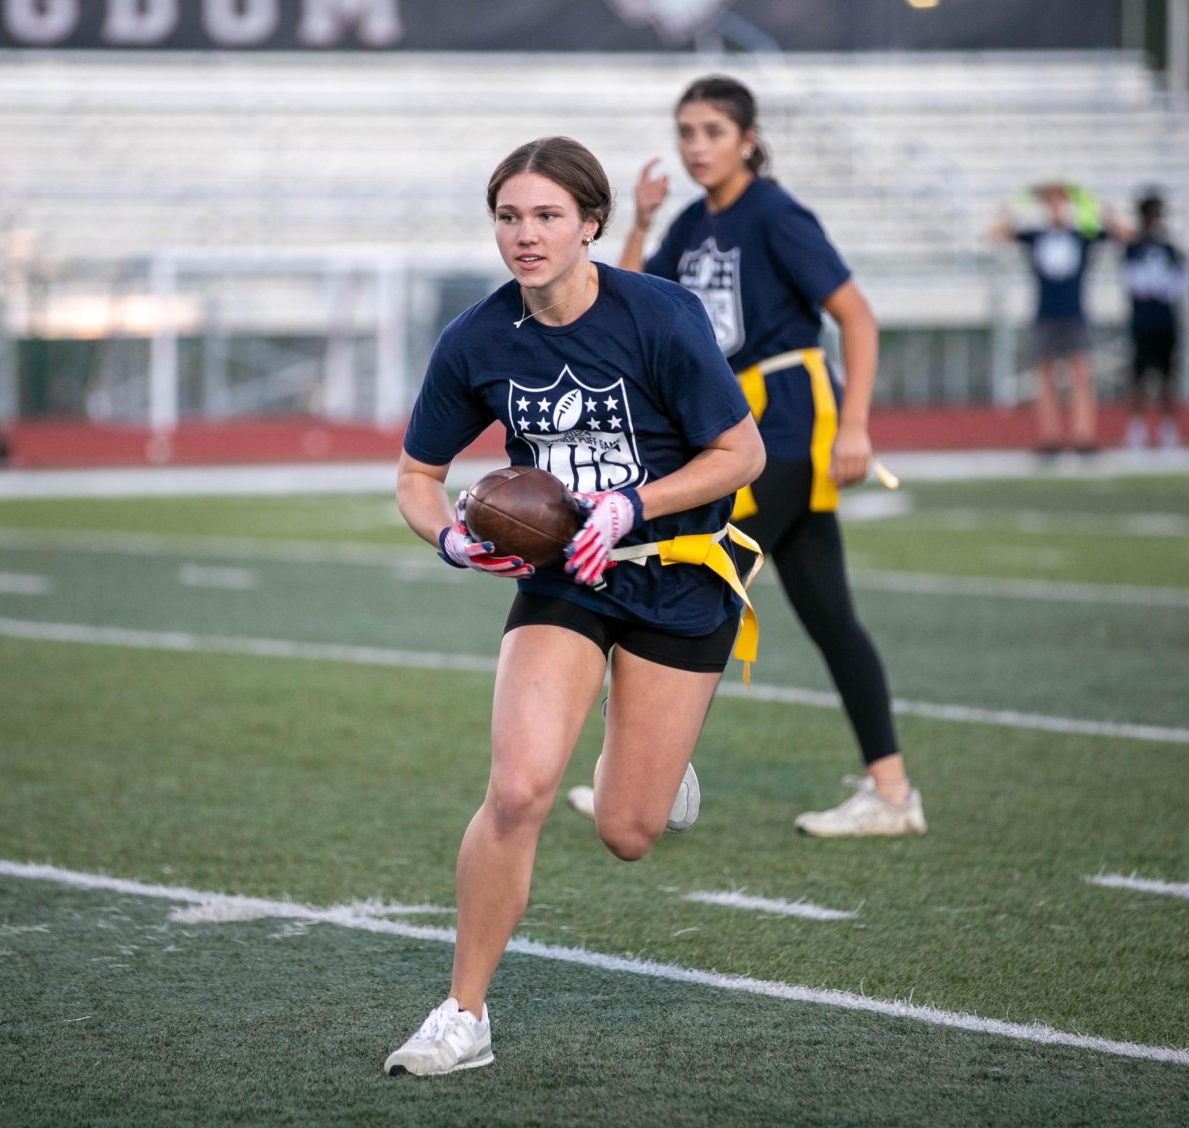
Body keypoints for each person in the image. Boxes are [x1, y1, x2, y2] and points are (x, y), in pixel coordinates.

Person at [385, 136, 764, 1077]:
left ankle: (658, 765)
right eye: (509, 216)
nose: (526, 234)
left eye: (548, 215)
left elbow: (741, 455)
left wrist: (633, 501)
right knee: (517, 791)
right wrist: (447, 536)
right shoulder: (475, 337)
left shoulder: (660, 315)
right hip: (563, 579)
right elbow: (416, 475)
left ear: (591, 223)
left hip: (677, 567)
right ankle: (462, 1014)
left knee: (627, 833)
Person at [566, 74, 926, 838]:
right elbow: (621, 293)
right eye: (686, 131)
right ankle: (892, 793)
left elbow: (856, 318)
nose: (696, 146)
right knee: (830, 614)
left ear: (748, 140)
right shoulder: (694, 221)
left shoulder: (777, 214)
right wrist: (642, 219)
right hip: (741, 428)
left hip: (789, 424)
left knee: (691, 563)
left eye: (712, 132)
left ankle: (639, 772)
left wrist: (857, 424)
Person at [992, 182, 1116, 454]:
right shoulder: (1036, 236)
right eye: (1051, 203)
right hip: (1045, 313)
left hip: (1075, 314)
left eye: (1061, 203)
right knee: (1045, 377)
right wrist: (1020, 201)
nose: (1057, 209)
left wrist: (1088, 199)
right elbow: (998, 232)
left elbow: (1119, 232)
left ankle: (1084, 435)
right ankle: (1050, 437)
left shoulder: (1081, 235)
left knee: (1081, 376)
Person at [1122, 193, 1184, 450]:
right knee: (1138, 378)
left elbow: (1178, 284)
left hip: (1165, 321)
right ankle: (1136, 430)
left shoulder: (1170, 249)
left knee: (1168, 377)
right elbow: (1133, 283)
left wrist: (1161, 285)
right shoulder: (1133, 248)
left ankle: (1168, 430)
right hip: (1142, 321)